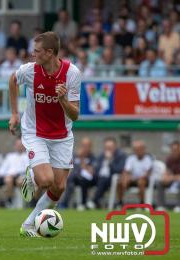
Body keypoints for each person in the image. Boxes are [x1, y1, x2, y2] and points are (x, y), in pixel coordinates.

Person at [8, 31, 81, 237]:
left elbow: (75, 115)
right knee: (46, 180)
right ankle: (31, 175)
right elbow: (12, 80)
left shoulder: (72, 73)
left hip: (62, 136)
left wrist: (63, 100)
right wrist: (14, 114)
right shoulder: (29, 71)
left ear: (50, 53)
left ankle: (29, 224)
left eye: (37, 51)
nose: (33, 55)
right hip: (35, 132)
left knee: (59, 187)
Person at [87, 137, 126, 209]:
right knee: (82, 179)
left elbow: (118, 170)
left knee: (103, 179)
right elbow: (96, 167)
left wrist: (110, 160)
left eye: (110, 147)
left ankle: (94, 201)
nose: (108, 149)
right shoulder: (102, 155)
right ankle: (84, 202)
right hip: (97, 178)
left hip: (111, 179)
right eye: (106, 147)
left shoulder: (121, 155)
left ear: (115, 147)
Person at [117, 140, 153, 206]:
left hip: (143, 180)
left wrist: (136, 178)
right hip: (132, 180)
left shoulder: (148, 159)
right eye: (136, 149)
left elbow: (147, 173)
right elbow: (126, 171)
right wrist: (125, 177)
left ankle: (142, 202)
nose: (138, 151)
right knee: (120, 182)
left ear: (143, 149)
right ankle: (120, 202)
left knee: (141, 182)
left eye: (140, 149)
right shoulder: (131, 158)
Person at [156, 141, 180, 211]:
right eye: (172, 150)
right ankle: (161, 206)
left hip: (177, 180)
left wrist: (172, 177)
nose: (174, 152)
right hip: (174, 179)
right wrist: (165, 177)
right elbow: (167, 171)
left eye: (176, 150)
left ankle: (179, 206)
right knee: (160, 183)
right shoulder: (169, 159)